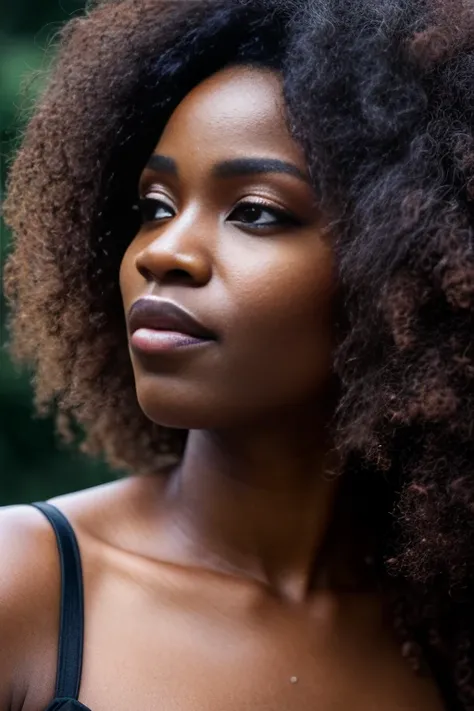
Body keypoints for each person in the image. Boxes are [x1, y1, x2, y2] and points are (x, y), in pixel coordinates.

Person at [2, 0, 474, 708]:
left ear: (413, 272)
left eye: (254, 211)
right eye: (155, 205)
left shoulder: (450, 642)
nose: (163, 252)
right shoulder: (24, 583)